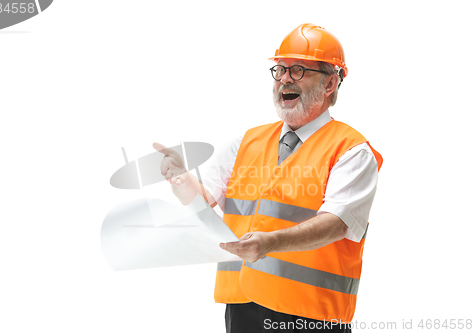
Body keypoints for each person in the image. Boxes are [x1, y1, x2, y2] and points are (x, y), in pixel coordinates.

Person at [153, 23, 383, 333]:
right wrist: (182, 181)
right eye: (280, 69)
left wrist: (271, 242)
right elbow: (206, 202)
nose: (285, 79)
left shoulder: (352, 150)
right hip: (243, 307)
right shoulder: (247, 141)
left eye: (299, 70)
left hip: (310, 314)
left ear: (330, 84)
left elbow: (337, 223)